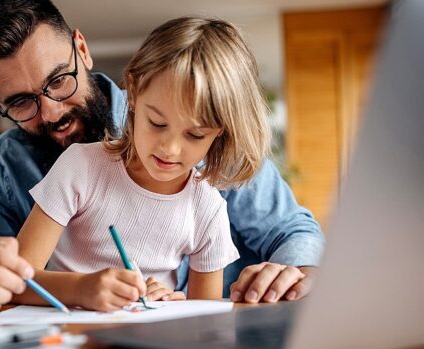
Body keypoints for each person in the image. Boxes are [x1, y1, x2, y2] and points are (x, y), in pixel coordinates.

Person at [0, 0, 325, 314]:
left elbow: (291, 230)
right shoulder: (10, 165)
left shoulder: (194, 119)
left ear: (82, 50)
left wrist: (297, 273)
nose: (51, 112)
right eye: (20, 102)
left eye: (57, 81)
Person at [14, 17, 267, 311]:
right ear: (133, 92)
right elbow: (15, 281)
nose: (170, 149)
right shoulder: (79, 167)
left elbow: (204, 323)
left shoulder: (207, 210)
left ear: (220, 130)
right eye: (157, 123)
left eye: (195, 134)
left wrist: (174, 304)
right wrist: (81, 289)